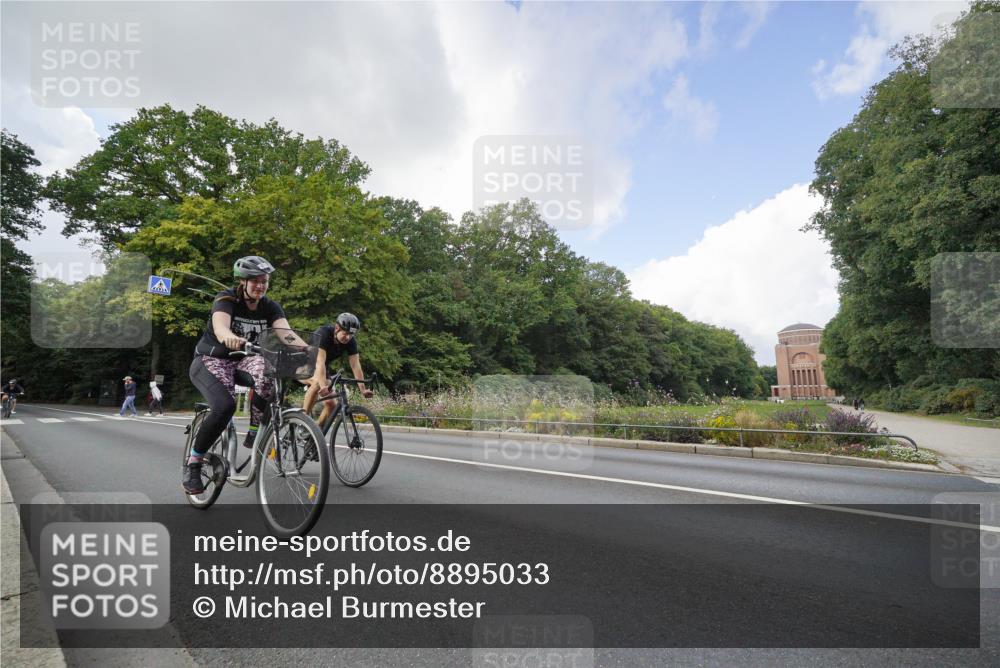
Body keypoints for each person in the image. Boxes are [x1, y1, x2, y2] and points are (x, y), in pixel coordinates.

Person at [184, 256, 298, 495]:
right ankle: (194, 463)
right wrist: (229, 336)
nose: (260, 286)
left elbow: (286, 334)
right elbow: (220, 326)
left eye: (264, 281)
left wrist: (309, 352)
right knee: (225, 406)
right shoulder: (226, 298)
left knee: (269, 372)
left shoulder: (270, 306)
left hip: (243, 360)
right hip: (211, 359)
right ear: (243, 282)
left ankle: (255, 432)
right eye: (255, 281)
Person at [303, 313, 373, 428]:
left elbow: (356, 365)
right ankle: (302, 422)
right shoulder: (323, 334)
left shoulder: (350, 341)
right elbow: (319, 363)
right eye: (346, 333)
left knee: (331, 404)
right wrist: (322, 386)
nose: (348, 337)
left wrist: (363, 390)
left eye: (351, 334)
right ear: (337, 328)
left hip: (321, 368)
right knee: (317, 384)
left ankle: (315, 435)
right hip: (303, 365)